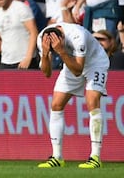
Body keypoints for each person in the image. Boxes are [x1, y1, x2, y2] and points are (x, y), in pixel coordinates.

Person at [36, 23, 109, 168]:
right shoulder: (42, 38)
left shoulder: (77, 36)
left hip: (95, 62)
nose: (54, 52)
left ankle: (95, 157)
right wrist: (45, 54)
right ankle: (57, 157)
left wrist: (62, 52)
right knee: (56, 104)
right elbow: (47, 73)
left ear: (62, 38)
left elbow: (78, 70)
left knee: (92, 101)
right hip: (71, 62)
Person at [0, 0, 39, 69]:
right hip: (6, 61)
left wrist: (28, 58)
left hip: (24, 61)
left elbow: (33, 32)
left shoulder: (21, 7)